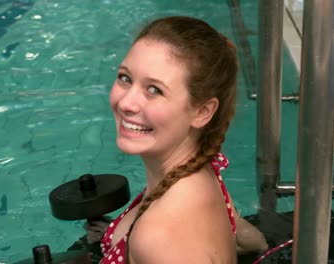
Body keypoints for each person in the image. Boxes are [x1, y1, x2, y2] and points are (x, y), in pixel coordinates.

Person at [85, 16, 268, 263]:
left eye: (155, 90)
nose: (126, 103)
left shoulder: (158, 239)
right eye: (125, 78)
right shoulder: (201, 169)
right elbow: (252, 240)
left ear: (202, 112)